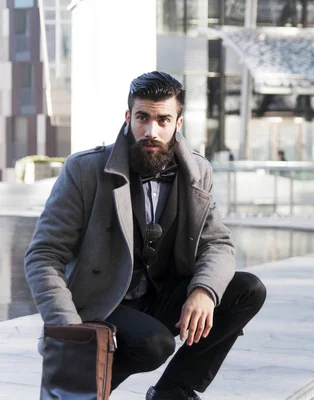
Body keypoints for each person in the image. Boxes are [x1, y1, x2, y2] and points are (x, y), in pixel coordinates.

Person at [24, 71, 267, 400]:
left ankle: (173, 391)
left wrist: (204, 292)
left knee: (247, 290)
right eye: (143, 118)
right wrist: (69, 330)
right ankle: (83, 390)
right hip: (102, 303)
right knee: (155, 344)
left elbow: (217, 244)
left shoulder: (197, 172)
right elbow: (44, 255)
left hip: (160, 295)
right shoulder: (85, 170)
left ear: (178, 123)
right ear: (128, 118)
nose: (151, 131)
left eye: (163, 119)